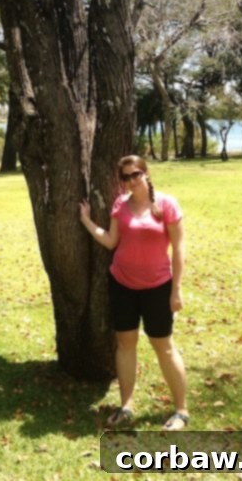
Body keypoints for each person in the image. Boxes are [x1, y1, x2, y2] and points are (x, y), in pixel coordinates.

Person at [79, 155, 189, 431]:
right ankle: (126, 405)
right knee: (126, 345)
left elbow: (178, 249)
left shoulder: (166, 205)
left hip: (158, 287)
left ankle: (181, 411)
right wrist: (87, 221)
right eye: (125, 177)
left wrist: (176, 290)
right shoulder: (120, 205)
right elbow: (111, 241)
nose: (131, 181)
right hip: (123, 285)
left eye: (135, 174)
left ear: (146, 172)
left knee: (163, 347)